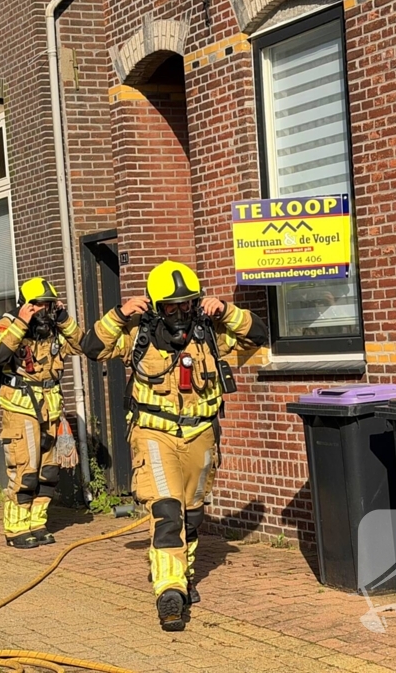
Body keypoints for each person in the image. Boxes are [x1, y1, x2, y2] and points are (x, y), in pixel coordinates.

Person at [82, 260, 267, 631]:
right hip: (154, 434)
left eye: (187, 304)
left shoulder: (210, 333)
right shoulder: (136, 334)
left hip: (201, 435)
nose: (180, 313)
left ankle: (182, 573)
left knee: (192, 514)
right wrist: (118, 314)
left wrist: (227, 311)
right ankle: (170, 592)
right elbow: (92, 347)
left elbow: (258, 335)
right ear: (155, 306)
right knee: (167, 512)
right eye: (171, 306)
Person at [0, 277, 84, 549]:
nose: (44, 311)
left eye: (48, 306)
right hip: (20, 406)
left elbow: (82, 345)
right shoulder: (7, 324)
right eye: (39, 306)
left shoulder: (54, 328)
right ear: (27, 305)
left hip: (51, 406)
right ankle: (16, 527)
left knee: (48, 472)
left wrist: (63, 317)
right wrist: (21, 322)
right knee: (25, 469)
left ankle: (37, 523)